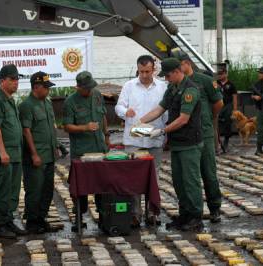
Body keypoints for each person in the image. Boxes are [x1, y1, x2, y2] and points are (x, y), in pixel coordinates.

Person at [140, 58, 204, 231]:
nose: (166, 79)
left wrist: (162, 131)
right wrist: (139, 122)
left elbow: (184, 119)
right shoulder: (172, 88)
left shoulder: (190, 90)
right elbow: (160, 109)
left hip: (189, 143)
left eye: (168, 76)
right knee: (178, 182)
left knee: (190, 181)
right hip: (177, 143)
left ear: (177, 71)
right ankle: (185, 215)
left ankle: (196, 216)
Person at [115, 55, 166, 227]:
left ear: (154, 70)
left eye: (147, 71)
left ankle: (153, 213)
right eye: (141, 71)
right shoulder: (129, 86)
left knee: (155, 177)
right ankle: (135, 214)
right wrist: (124, 112)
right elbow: (118, 106)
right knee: (133, 178)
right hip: (134, 138)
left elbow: (166, 112)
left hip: (154, 137)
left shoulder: (162, 86)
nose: (144, 75)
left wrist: (165, 133)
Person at [172, 50, 223, 223]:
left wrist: (208, 119)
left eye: (178, 65)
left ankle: (215, 207)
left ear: (187, 63)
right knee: (187, 176)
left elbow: (218, 103)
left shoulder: (205, 80)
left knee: (208, 172)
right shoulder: (175, 84)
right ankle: (188, 211)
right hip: (187, 135)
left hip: (205, 133)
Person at [63, 71, 110, 231]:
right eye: (86, 88)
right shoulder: (70, 102)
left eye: (91, 87)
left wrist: (107, 136)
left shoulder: (97, 95)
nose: (89, 90)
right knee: (80, 186)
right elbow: (67, 126)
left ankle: (104, 215)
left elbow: (103, 116)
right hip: (81, 152)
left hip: (99, 148)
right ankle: (79, 216)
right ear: (79, 87)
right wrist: (85, 127)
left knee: (102, 183)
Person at [0, 64, 27, 239]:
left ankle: (8, 220)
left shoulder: (10, 100)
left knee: (12, 190)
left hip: (14, 154)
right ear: (2, 81)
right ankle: (0, 225)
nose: (16, 83)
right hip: (3, 155)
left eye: (17, 79)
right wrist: (2, 151)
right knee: (2, 190)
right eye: (12, 79)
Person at [18, 71, 58, 234]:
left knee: (47, 189)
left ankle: (41, 218)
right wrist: (34, 154)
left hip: (48, 155)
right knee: (34, 190)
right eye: (46, 87)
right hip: (36, 157)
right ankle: (32, 222)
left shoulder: (47, 103)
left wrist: (56, 146)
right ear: (36, 87)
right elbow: (26, 131)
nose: (48, 90)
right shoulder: (26, 105)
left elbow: (50, 128)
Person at [216, 68, 237, 152]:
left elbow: (234, 97)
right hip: (218, 105)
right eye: (219, 74)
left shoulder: (231, 84)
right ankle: (218, 140)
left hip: (228, 105)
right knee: (217, 122)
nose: (220, 76)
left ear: (226, 74)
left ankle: (226, 139)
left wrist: (235, 109)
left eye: (222, 74)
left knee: (228, 121)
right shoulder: (216, 83)